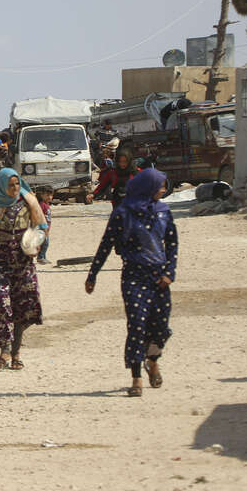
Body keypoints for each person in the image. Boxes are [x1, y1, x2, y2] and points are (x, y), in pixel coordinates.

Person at [85, 169, 177, 397]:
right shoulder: (123, 213)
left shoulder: (164, 212)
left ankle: (152, 360)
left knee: (160, 327)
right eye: (160, 186)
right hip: (134, 277)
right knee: (136, 325)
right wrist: (93, 274)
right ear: (147, 187)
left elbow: (172, 244)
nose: (163, 190)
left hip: (159, 278)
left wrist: (169, 273)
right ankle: (136, 378)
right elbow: (106, 244)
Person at [0, 168, 47, 370]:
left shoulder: (29, 202)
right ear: (2, 186)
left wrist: (37, 245)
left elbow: (40, 227)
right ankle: (4, 351)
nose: (14, 188)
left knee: (23, 306)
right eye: (10, 185)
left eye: (17, 183)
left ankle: (16, 352)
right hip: (0, 260)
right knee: (3, 305)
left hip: (23, 261)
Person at [35, 186, 54, 265]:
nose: (50, 197)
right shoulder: (41, 205)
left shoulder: (46, 204)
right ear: (41, 195)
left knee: (44, 243)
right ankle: (40, 257)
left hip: (46, 228)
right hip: (41, 228)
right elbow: (38, 216)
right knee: (45, 243)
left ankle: (44, 257)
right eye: (47, 195)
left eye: (51, 195)